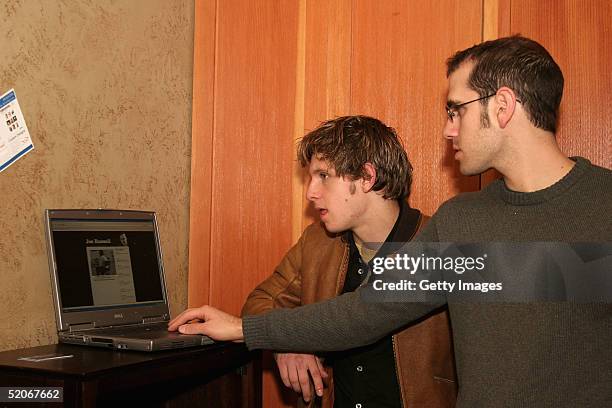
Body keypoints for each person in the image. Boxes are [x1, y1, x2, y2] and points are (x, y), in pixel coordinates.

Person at [169, 36, 612, 406]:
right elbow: (365, 311)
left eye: (456, 109)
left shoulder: (604, 206)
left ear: (502, 105)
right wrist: (245, 328)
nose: (448, 129)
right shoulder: (461, 223)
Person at [240, 115, 456, 408]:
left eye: (324, 176)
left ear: (367, 177)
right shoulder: (316, 243)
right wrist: (285, 343)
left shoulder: (439, 245)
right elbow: (260, 301)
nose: (311, 192)